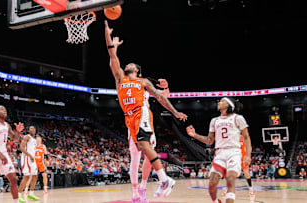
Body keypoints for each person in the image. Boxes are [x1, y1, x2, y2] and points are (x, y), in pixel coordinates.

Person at [104, 20, 188, 202]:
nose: (129, 64)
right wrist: (108, 36)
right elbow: (112, 56)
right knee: (137, 153)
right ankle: (152, 184)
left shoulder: (142, 82)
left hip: (141, 113)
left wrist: (174, 112)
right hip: (129, 119)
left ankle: (155, 182)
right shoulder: (120, 79)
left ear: (137, 71)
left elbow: (161, 97)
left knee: (145, 147)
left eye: (133, 65)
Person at [186, 97, 252, 203]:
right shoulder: (214, 121)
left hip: (234, 152)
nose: (219, 102)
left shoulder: (238, 118)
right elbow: (209, 140)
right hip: (220, 153)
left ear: (229, 105)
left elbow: (246, 137)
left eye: (222, 101)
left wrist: (248, 155)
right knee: (212, 184)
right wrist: (195, 135)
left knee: (230, 180)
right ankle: (216, 201)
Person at [18, 126, 40, 202]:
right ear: (28, 130)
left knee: (35, 176)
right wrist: (30, 155)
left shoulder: (34, 139)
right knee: (26, 177)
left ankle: (31, 193)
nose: (32, 129)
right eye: (30, 128)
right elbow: (21, 147)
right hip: (27, 158)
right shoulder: (27, 137)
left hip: (32, 159)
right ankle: (19, 195)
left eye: (33, 128)